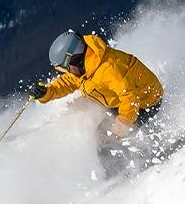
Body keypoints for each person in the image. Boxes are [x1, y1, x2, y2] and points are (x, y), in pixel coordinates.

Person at [29, 30, 165, 174]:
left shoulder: (107, 68)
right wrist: (46, 93)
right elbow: (67, 83)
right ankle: (118, 168)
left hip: (146, 101)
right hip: (118, 102)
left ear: (74, 58)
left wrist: (118, 131)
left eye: (65, 67)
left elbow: (130, 98)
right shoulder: (85, 67)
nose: (65, 72)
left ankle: (138, 163)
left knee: (106, 140)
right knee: (100, 136)